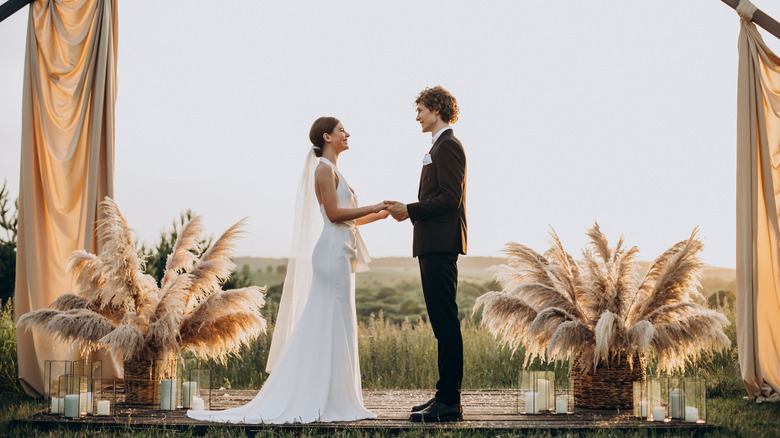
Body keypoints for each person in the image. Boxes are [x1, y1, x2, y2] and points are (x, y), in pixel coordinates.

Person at [187, 117, 389, 424]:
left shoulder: (335, 170)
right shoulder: (323, 169)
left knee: (337, 321)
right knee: (329, 319)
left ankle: (337, 396)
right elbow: (333, 215)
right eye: (341, 130)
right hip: (332, 253)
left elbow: (349, 218)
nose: (347, 134)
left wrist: (382, 214)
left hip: (341, 252)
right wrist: (373, 206)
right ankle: (321, 396)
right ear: (327, 136)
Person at [387, 86, 467, 422]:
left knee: (445, 323)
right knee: (440, 323)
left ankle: (449, 402)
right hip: (432, 243)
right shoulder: (438, 145)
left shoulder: (448, 146)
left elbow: (450, 199)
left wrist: (410, 209)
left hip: (440, 244)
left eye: (420, 109)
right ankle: (443, 395)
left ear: (436, 108)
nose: (417, 116)